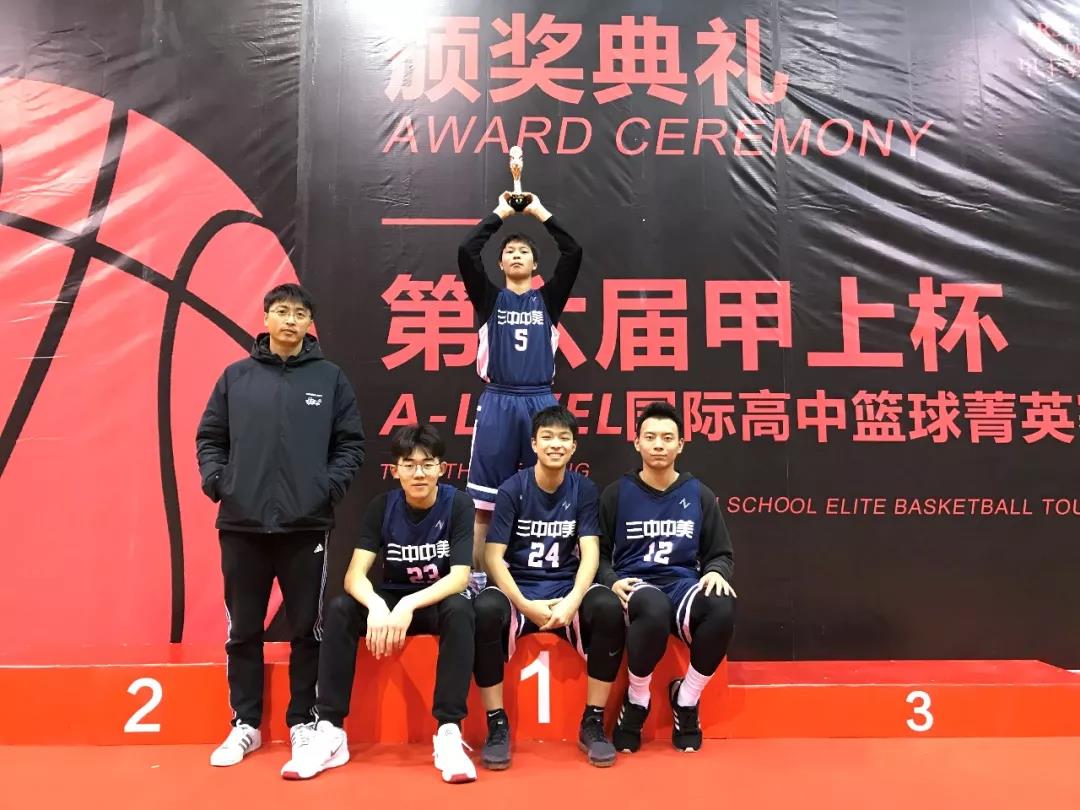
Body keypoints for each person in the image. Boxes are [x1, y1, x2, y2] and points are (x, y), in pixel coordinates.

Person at [196, 283, 365, 767]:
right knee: (244, 630)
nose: (291, 321)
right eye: (282, 312)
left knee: (306, 631)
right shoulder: (236, 377)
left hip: (305, 526)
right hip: (241, 525)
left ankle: (302, 723)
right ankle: (245, 724)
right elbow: (210, 437)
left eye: (300, 314)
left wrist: (325, 488)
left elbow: (350, 444)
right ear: (266, 317)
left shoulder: (330, 379)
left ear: (310, 323)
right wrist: (219, 481)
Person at [280, 424, 477, 784]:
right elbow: (354, 576)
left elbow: (460, 577)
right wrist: (376, 605)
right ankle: (330, 730)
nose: (419, 473)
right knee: (340, 609)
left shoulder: (458, 504)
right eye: (409, 465)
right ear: (396, 470)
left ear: (442, 468)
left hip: (433, 599)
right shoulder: (382, 506)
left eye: (427, 464)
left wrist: (408, 606)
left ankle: (449, 730)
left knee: (461, 610)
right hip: (391, 597)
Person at [473, 406, 625, 769]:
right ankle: (497, 724)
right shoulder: (513, 489)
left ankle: (593, 720)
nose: (555, 445)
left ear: (573, 447)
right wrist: (524, 603)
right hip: (520, 590)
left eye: (563, 438)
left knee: (607, 607)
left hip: (565, 588)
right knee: (484, 610)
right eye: (547, 437)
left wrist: (573, 599)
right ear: (534, 444)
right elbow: (493, 557)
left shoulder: (583, 489)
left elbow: (590, 552)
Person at [457, 191, 583, 588]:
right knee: (484, 504)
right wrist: (500, 212)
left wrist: (538, 212)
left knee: (543, 493)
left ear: (534, 264)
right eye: (509, 251)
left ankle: (538, 574)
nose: (515, 255)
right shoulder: (488, 298)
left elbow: (573, 251)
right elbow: (466, 251)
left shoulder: (548, 300)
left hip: (540, 402)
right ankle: (479, 582)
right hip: (499, 399)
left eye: (523, 251)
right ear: (499, 264)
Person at [598, 401, 736, 754]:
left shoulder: (699, 494)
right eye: (650, 437)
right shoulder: (616, 493)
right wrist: (610, 578)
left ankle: (686, 698)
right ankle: (637, 699)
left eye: (667, 438)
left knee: (721, 605)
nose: (658, 445)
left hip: (682, 586)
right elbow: (596, 552)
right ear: (637, 443)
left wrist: (716, 572)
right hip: (636, 586)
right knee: (653, 605)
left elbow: (720, 553)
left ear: (680, 445)